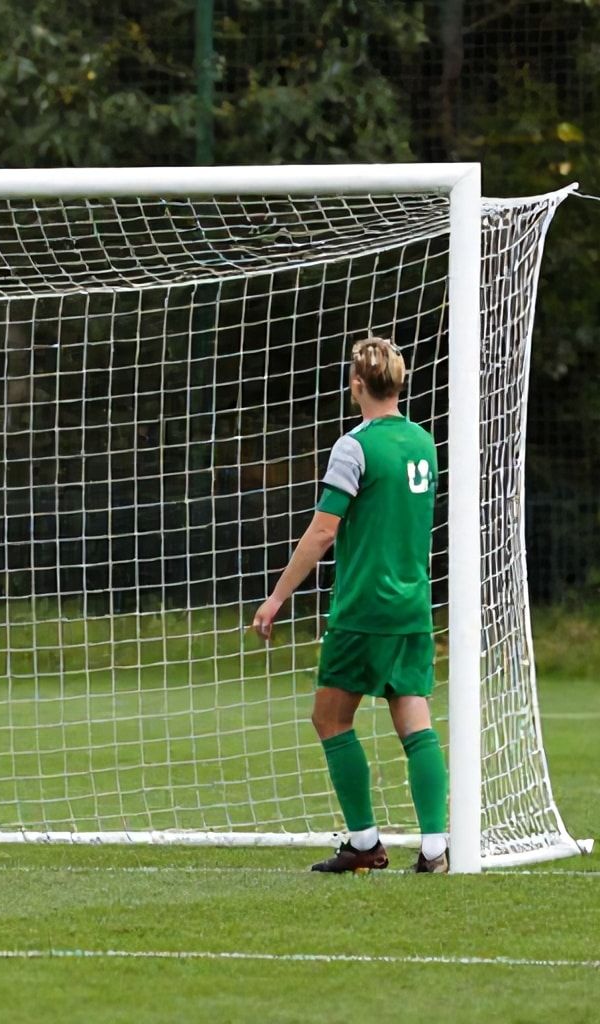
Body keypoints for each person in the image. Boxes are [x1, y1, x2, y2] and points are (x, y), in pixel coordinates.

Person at [252, 336, 448, 874]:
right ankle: (435, 849)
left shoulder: (354, 446)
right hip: (412, 605)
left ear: (357, 384)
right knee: (414, 719)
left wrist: (276, 598)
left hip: (364, 608)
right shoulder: (424, 443)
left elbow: (322, 532)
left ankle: (364, 842)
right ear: (398, 382)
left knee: (330, 718)